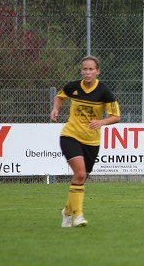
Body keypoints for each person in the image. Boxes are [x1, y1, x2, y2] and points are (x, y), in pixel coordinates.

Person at [50, 56, 122, 227]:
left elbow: (116, 116)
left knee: (80, 177)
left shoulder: (103, 91)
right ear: (81, 70)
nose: (87, 72)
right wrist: (55, 108)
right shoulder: (73, 87)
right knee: (80, 173)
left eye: (91, 69)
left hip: (91, 141)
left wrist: (101, 122)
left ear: (98, 71)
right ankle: (78, 216)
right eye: (85, 69)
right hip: (70, 135)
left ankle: (66, 211)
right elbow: (60, 96)